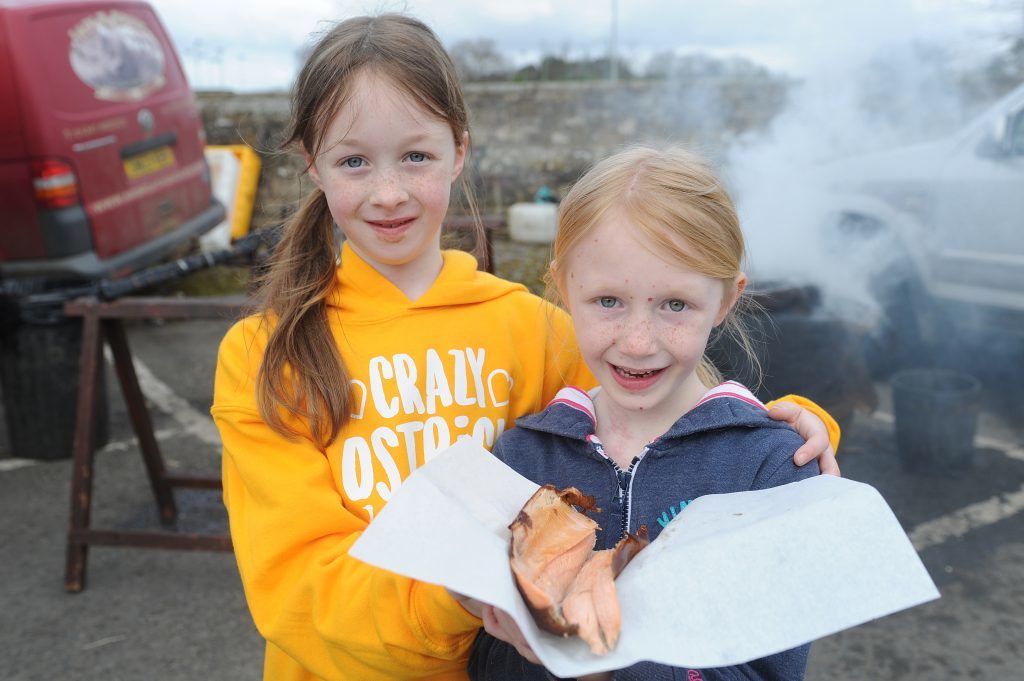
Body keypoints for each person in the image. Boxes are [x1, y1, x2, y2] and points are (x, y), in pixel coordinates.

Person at [211, 14, 839, 681]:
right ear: (312, 164)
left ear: (458, 150)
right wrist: (461, 590)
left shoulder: (535, 327)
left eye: (415, 155)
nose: (388, 191)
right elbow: (297, 595)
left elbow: (663, 414)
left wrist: (783, 432)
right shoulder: (262, 356)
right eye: (354, 160)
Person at [468, 146, 820, 681]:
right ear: (563, 287)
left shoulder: (770, 472)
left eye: (675, 305)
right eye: (608, 301)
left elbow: (772, 670)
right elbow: (484, 661)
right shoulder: (518, 459)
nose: (637, 343)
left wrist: (607, 663)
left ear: (726, 299)